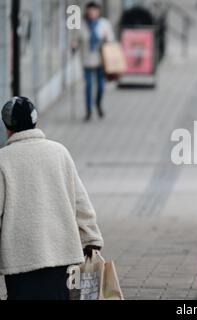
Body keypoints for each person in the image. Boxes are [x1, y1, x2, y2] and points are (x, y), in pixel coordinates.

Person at [0, 97, 104, 300]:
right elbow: (80, 202)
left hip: (20, 259)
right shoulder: (59, 152)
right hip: (61, 254)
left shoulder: (3, 160)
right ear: (35, 121)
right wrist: (91, 238)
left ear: (7, 127)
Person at [72, 1, 115, 122]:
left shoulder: (104, 24)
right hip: (87, 60)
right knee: (89, 86)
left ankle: (98, 103)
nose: (92, 13)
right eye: (90, 10)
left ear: (98, 12)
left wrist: (107, 38)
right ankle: (88, 110)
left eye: (94, 10)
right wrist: (74, 46)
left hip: (101, 60)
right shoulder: (81, 25)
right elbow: (76, 40)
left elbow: (111, 41)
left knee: (101, 86)